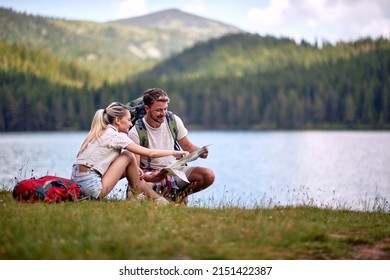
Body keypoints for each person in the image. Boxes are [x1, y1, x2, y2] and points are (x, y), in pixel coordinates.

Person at [71, 101, 188, 204]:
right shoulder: (116, 137)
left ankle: (148, 198)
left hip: (77, 186)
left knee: (129, 163)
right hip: (93, 188)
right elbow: (149, 153)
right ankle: (154, 200)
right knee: (128, 155)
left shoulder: (99, 132)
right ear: (117, 120)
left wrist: (134, 169)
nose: (131, 123)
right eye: (128, 120)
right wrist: (174, 152)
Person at [128, 88, 215, 203]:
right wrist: (152, 177)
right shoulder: (136, 132)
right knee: (133, 196)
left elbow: (187, 146)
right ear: (147, 108)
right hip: (151, 174)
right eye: (159, 110)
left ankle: (177, 199)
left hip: (175, 170)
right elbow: (135, 171)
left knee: (208, 175)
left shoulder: (173, 120)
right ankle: (163, 201)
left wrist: (200, 152)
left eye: (165, 109)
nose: (163, 113)